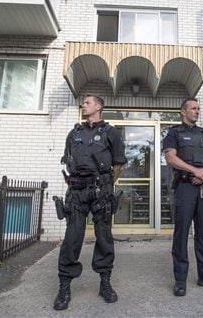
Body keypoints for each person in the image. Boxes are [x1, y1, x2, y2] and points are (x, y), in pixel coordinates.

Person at [54, 94, 127, 311]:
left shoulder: (110, 132)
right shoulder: (74, 133)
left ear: (98, 106)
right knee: (72, 237)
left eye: (87, 102)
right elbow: (68, 160)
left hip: (101, 190)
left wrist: (106, 185)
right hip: (76, 190)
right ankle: (64, 286)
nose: (83, 105)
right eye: (83, 103)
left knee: (104, 236)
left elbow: (118, 164)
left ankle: (104, 283)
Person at [162, 97, 203, 297]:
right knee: (181, 234)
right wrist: (194, 171)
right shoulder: (174, 133)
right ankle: (180, 280)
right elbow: (171, 157)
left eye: (199, 108)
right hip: (185, 188)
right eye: (193, 108)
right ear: (183, 111)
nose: (197, 111)